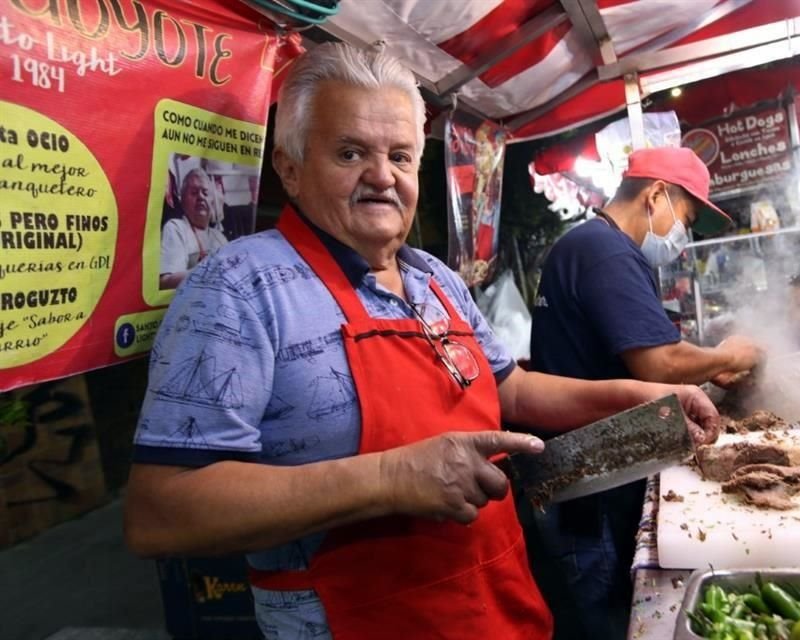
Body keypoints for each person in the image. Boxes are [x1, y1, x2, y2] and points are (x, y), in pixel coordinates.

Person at [124, 43, 720, 640]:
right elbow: (159, 511)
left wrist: (641, 399)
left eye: (400, 156)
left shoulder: (434, 279)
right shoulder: (237, 289)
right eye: (350, 153)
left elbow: (512, 389)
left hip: (499, 608)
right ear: (290, 167)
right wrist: (390, 478)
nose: (382, 176)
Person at [528, 146, 764, 639]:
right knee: (605, 622)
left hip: (579, 473)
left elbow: (636, 354)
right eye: (686, 219)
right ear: (656, 195)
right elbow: (659, 362)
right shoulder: (607, 251)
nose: (683, 236)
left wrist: (703, 369)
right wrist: (727, 356)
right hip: (587, 486)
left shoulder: (588, 244)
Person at [159, 167, 229, 289]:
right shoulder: (176, 228)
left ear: (212, 201)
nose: (201, 197)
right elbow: (165, 281)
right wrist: (207, 272)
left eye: (205, 193)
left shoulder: (220, 237)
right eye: (194, 192)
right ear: (182, 200)